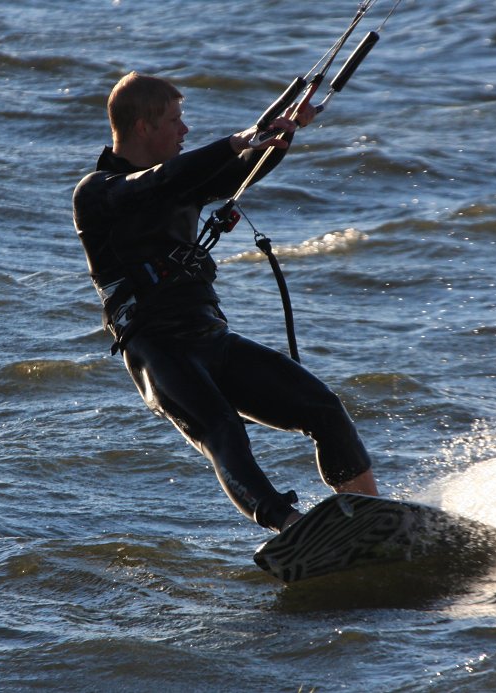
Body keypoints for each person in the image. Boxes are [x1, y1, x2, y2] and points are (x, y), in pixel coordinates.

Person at [72, 71, 377, 533]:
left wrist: (280, 135)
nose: (185, 130)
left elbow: (241, 171)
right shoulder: (98, 193)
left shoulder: (182, 182)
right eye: (175, 120)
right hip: (158, 350)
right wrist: (237, 140)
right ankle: (294, 528)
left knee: (323, 407)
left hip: (212, 337)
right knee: (223, 431)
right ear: (143, 128)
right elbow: (156, 182)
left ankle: (370, 517)